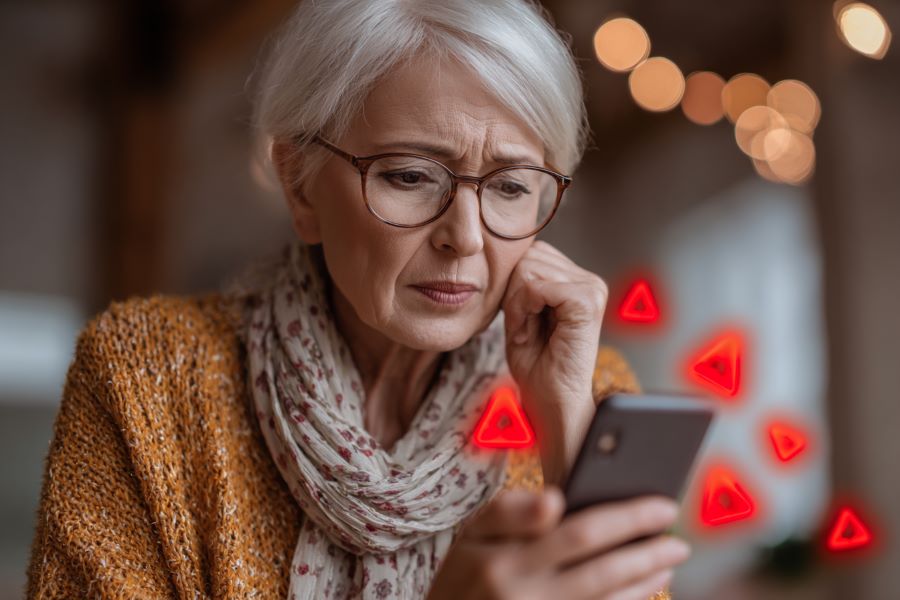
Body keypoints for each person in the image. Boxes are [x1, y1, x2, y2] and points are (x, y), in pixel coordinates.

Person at [26, 1, 690, 598]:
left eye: (511, 187)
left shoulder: (592, 391)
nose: (464, 237)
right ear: (301, 185)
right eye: (410, 176)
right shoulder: (147, 377)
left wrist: (568, 436)